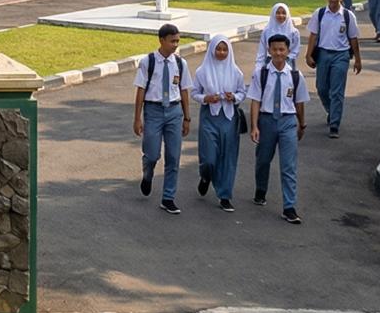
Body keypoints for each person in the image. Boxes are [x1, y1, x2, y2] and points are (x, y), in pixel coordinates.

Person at [249, 32, 309, 224]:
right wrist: (255, 126)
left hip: (287, 121)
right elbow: (256, 101)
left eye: (282, 49)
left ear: (288, 51)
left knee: (288, 165)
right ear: (269, 50)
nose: (278, 53)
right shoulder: (262, 73)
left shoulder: (295, 75)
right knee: (263, 159)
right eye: (274, 49)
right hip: (267, 121)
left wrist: (301, 123)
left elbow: (299, 102)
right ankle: (261, 189)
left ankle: (289, 206)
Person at [132, 23, 192, 215]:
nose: (175, 45)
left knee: (174, 156)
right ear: (162, 40)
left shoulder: (181, 64)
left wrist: (187, 117)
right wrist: (137, 118)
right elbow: (141, 90)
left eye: (178, 41)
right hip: (154, 111)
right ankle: (147, 174)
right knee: (151, 154)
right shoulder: (148, 62)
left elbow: (183, 90)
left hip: (174, 111)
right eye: (172, 41)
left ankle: (168, 197)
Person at [190, 34, 245, 213]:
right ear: (212, 50)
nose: (221, 53)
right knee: (209, 158)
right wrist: (205, 98)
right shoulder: (202, 71)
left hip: (229, 118)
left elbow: (242, 92)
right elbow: (194, 93)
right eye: (218, 49)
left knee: (228, 158)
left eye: (224, 49)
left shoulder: (236, 72)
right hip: (210, 117)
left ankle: (225, 195)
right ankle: (206, 176)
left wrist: (234, 97)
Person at [305, 0, 362, 138]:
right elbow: (313, 35)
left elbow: (353, 38)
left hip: (341, 55)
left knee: (336, 91)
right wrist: (308, 54)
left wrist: (357, 59)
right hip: (323, 54)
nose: (333, 0)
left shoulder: (348, 16)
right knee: (322, 88)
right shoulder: (320, 13)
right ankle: (331, 110)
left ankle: (334, 124)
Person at [254, 2, 300, 73]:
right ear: (273, 14)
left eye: (284, 13)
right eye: (277, 13)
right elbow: (262, 51)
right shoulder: (266, 31)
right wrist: (258, 68)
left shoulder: (294, 32)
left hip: (288, 62)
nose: (281, 15)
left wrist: (285, 58)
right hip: (270, 62)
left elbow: (295, 50)